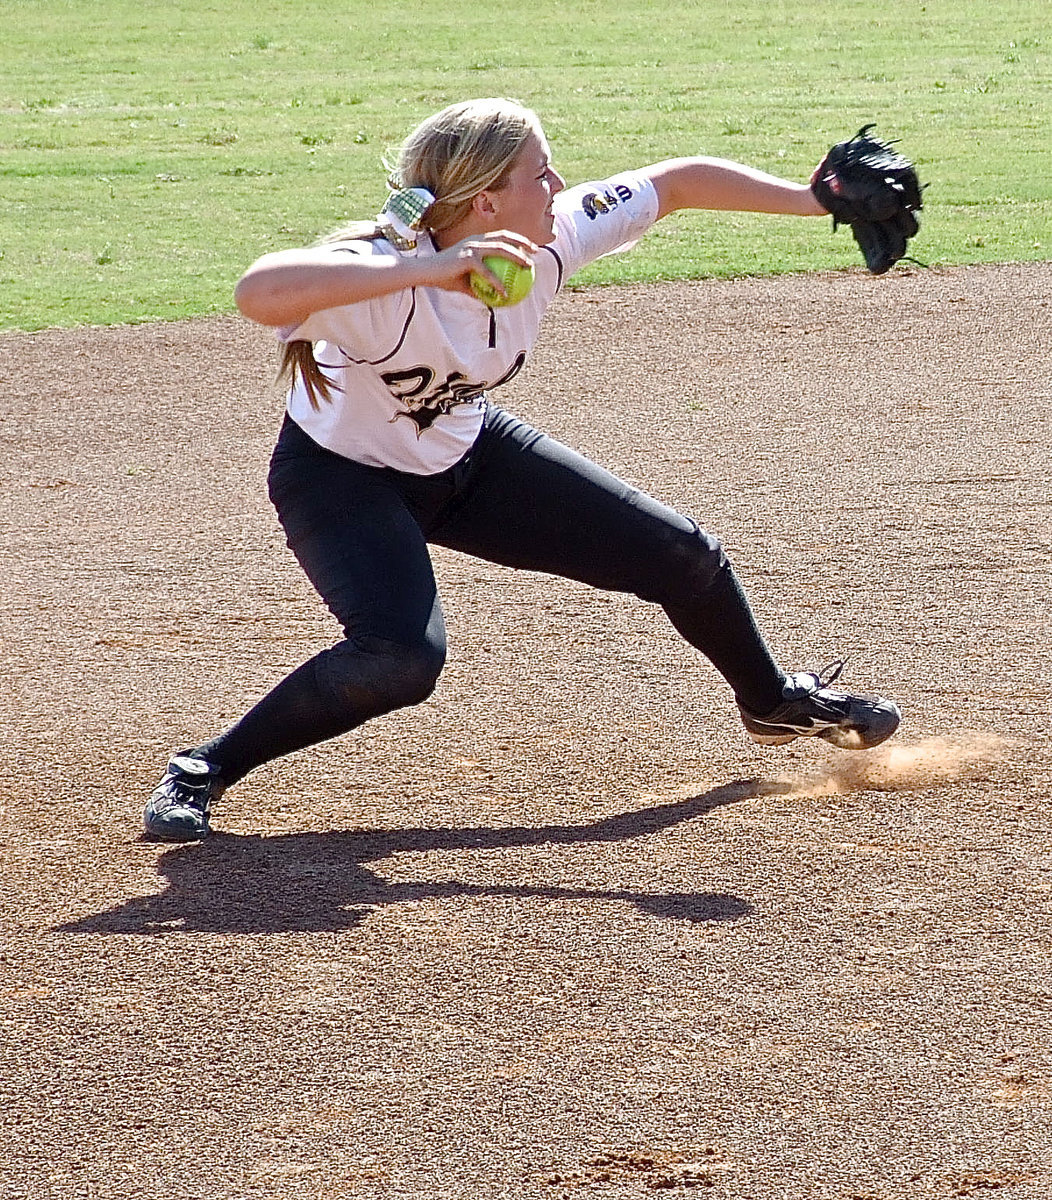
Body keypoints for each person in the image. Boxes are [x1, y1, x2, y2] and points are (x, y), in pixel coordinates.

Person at [144, 97, 900, 842]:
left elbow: (675, 184)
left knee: (684, 556)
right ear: (485, 201)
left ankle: (770, 701)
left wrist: (813, 199)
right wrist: (432, 270)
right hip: (343, 480)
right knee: (401, 659)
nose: (558, 185)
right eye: (541, 173)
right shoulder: (386, 271)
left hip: (467, 458)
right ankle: (203, 768)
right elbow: (257, 291)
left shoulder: (549, 236)